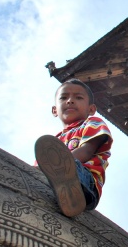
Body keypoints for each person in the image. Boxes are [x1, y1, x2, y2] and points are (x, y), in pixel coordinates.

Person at [35, 79, 112, 217]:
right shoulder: (54, 141)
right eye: (64, 97)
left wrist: (58, 164)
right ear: (54, 110)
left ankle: (73, 191)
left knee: (71, 166)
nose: (70, 101)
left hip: (85, 179)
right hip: (58, 177)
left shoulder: (92, 122)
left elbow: (87, 151)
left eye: (78, 97)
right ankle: (67, 197)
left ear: (91, 109)